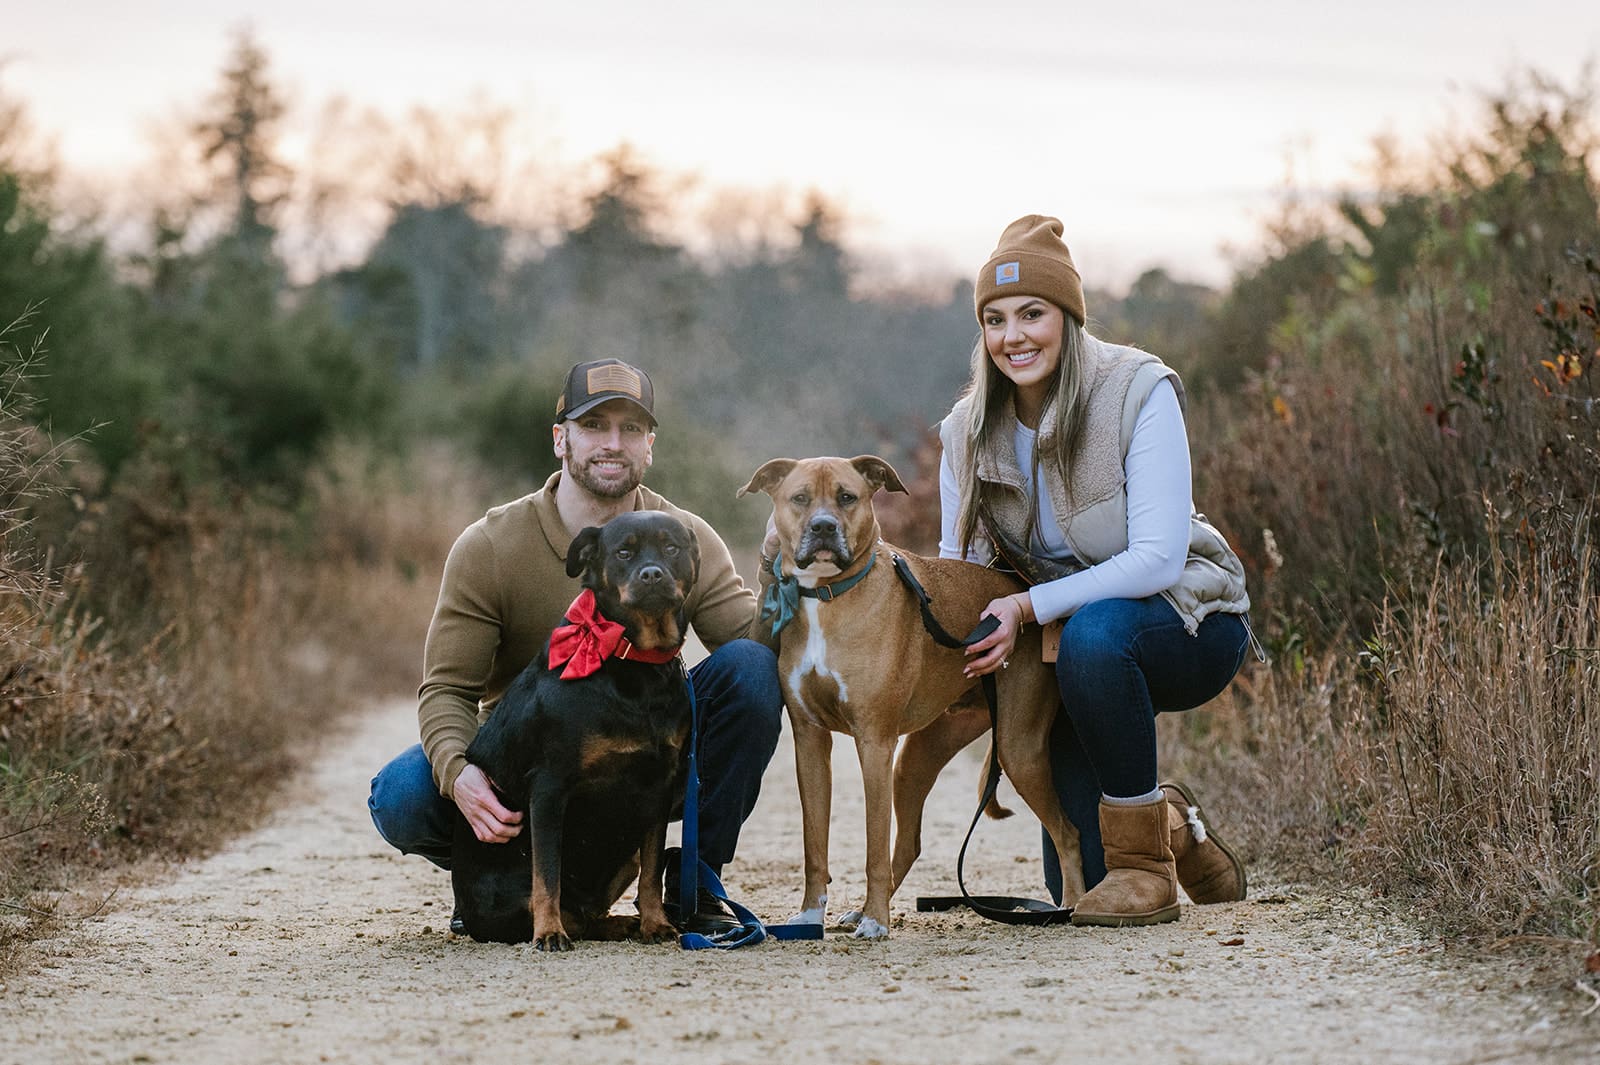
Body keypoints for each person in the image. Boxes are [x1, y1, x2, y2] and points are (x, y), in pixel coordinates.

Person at [368, 358, 783, 935]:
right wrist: (459, 771)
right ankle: (504, 884)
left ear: (650, 446)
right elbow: (446, 688)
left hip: (651, 750)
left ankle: (695, 877)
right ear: (561, 439)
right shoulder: (490, 546)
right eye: (595, 426)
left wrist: (776, 567)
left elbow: (751, 651)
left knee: (753, 670)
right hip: (532, 767)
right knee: (403, 794)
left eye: (632, 429)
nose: (614, 444)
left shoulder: (683, 535)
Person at [937, 215, 1258, 927]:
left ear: (1068, 316)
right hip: (1063, 648)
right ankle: (1173, 828)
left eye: (1032, 313)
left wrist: (1028, 607)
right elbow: (962, 571)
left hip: (1187, 621)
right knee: (1073, 881)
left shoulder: (1138, 390)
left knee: (1095, 633)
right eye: (994, 319)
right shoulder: (965, 429)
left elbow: (1157, 558)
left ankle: (1148, 872)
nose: (1013, 335)